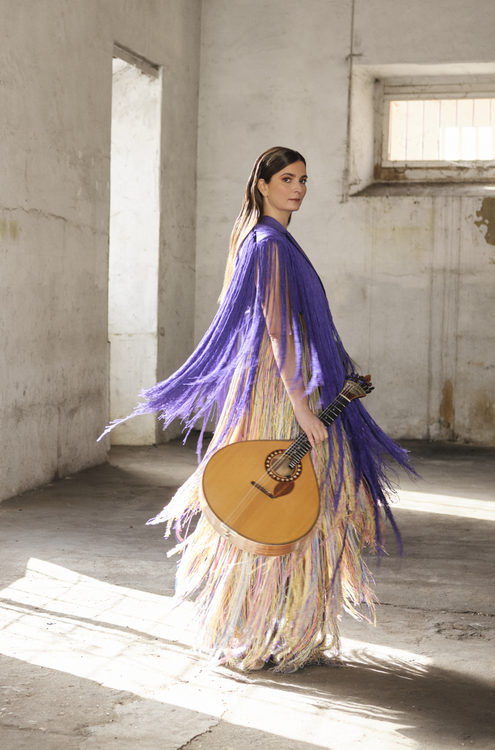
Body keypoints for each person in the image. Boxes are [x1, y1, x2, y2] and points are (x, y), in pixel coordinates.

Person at [111, 146, 414, 672]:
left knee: (298, 509)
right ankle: (255, 633)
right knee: (280, 511)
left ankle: (283, 629)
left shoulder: (273, 240)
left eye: (303, 179)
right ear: (262, 185)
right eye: (287, 179)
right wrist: (301, 406)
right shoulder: (269, 244)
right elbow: (277, 329)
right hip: (282, 391)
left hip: (289, 385)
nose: (298, 188)